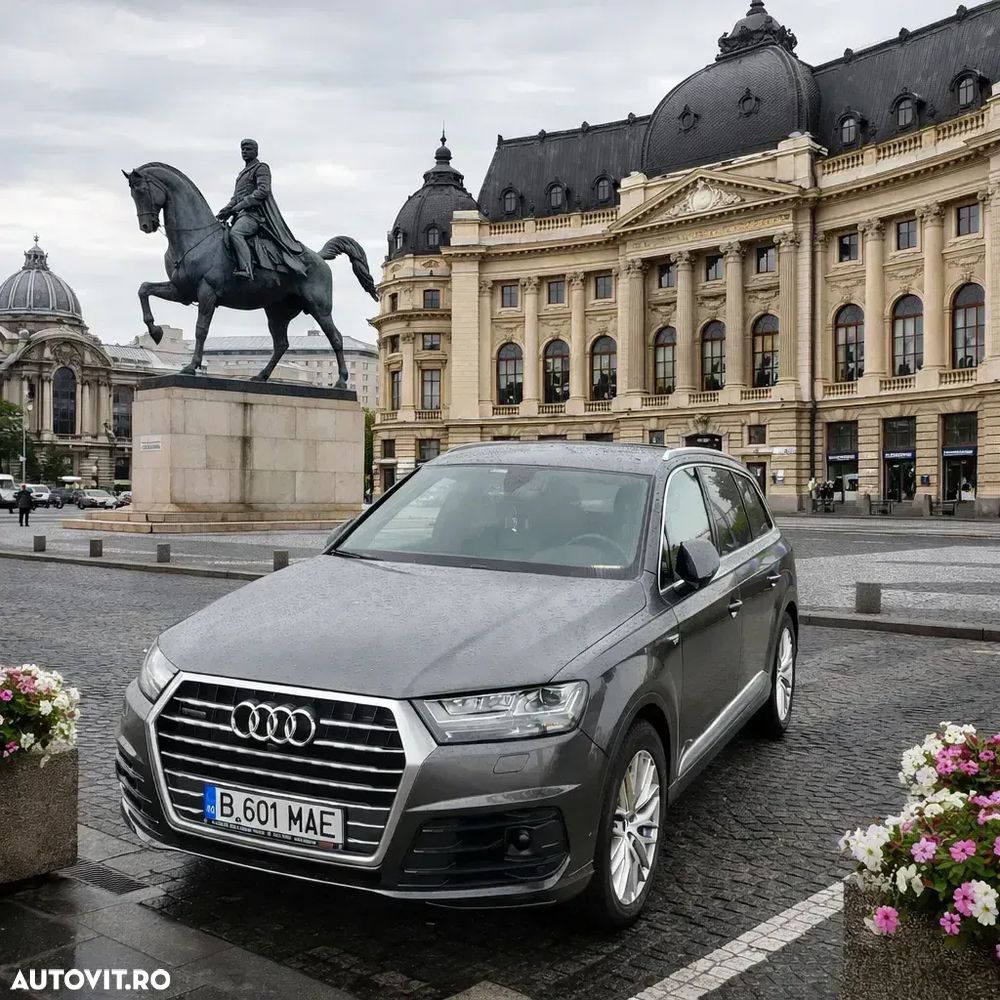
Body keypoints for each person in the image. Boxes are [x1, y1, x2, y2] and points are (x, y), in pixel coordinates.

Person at [215, 139, 306, 280]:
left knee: (236, 233)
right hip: (241, 216)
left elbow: (263, 191)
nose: (244, 152)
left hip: (254, 216)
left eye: (248, 149)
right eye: (242, 149)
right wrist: (225, 211)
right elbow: (235, 198)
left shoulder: (261, 168)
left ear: (256, 151)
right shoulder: (241, 175)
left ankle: (246, 269)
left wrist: (238, 207)